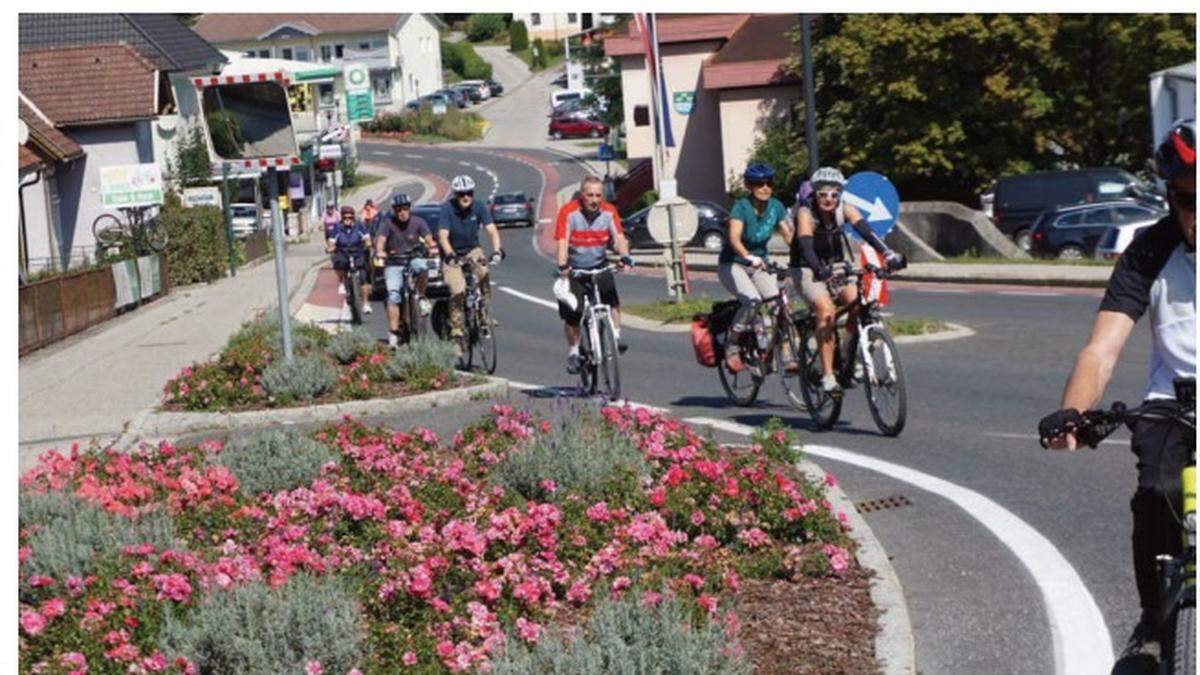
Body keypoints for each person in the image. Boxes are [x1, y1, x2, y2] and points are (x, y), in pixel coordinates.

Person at [1039, 119, 1195, 654]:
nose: (1197, 214)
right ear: (1170, 196)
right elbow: (1102, 350)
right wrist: (1074, 413)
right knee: (1157, 494)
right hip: (1174, 405)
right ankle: (1153, 625)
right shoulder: (1150, 253)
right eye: (1186, 199)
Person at [790, 166, 903, 396]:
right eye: (822, 194)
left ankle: (849, 352)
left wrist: (888, 253)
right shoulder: (805, 212)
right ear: (814, 194)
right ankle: (828, 375)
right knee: (826, 310)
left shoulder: (846, 208)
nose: (828, 199)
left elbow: (866, 231)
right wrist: (818, 269)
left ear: (840, 194)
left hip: (836, 265)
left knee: (858, 303)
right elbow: (805, 245)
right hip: (806, 267)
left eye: (834, 194)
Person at [718, 162, 794, 374]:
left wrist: (804, 256)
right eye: (759, 183)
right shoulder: (740, 207)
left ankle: (785, 355)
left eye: (769, 183)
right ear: (749, 186)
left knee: (780, 307)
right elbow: (734, 238)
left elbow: (788, 235)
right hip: (734, 264)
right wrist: (748, 256)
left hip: (760, 264)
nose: (765, 187)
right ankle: (732, 345)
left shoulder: (775, 206)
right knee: (752, 301)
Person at [554, 176, 634, 374]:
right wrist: (563, 265)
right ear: (582, 195)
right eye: (590, 195)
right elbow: (562, 242)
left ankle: (615, 336)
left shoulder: (609, 212)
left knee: (612, 301)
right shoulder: (568, 212)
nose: (595, 200)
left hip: (599, 265)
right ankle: (573, 352)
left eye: (598, 195)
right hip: (576, 269)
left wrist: (624, 255)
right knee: (574, 314)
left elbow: (619, 237)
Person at [436, 175, 504, 355]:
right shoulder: (447, 209)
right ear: (455, 195)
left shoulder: (479, 206)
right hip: (453, 254)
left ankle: (484, 313)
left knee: (483, 272)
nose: (466, 197)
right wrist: (450, 255)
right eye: (461, 194)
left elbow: (492, 231)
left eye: (469, 193)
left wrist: (497, 250)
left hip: (472, 250)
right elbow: (443, 236)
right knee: (457, 289)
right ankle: (456, 333)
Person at [375, 193, 436, 348]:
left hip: (413, 258)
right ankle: (394, 334)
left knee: (422, 267)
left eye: (405, 208)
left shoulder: (418, 222)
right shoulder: (387, 223)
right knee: (393, 295)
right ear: (394, 210)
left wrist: (432, 248)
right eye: (398, 209)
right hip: (394, 263)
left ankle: (421, 297)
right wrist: (380, 251)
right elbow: (380, 241)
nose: (402, 212)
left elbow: (429, 239)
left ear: (410, 208)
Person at [326, 205, 373, 316]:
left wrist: (368, 243)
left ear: (353, 217)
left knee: (363, 278)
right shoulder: (337, 228)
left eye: (350, 217)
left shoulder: (359, 226)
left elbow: (367, 238)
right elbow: (331, 241)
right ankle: (342, 282)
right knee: (339, 263)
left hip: (357, 253)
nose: (348, 219)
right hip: (343, 252)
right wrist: (330, 247)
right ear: (342, 217)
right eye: (345, 217)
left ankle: (366, 303)